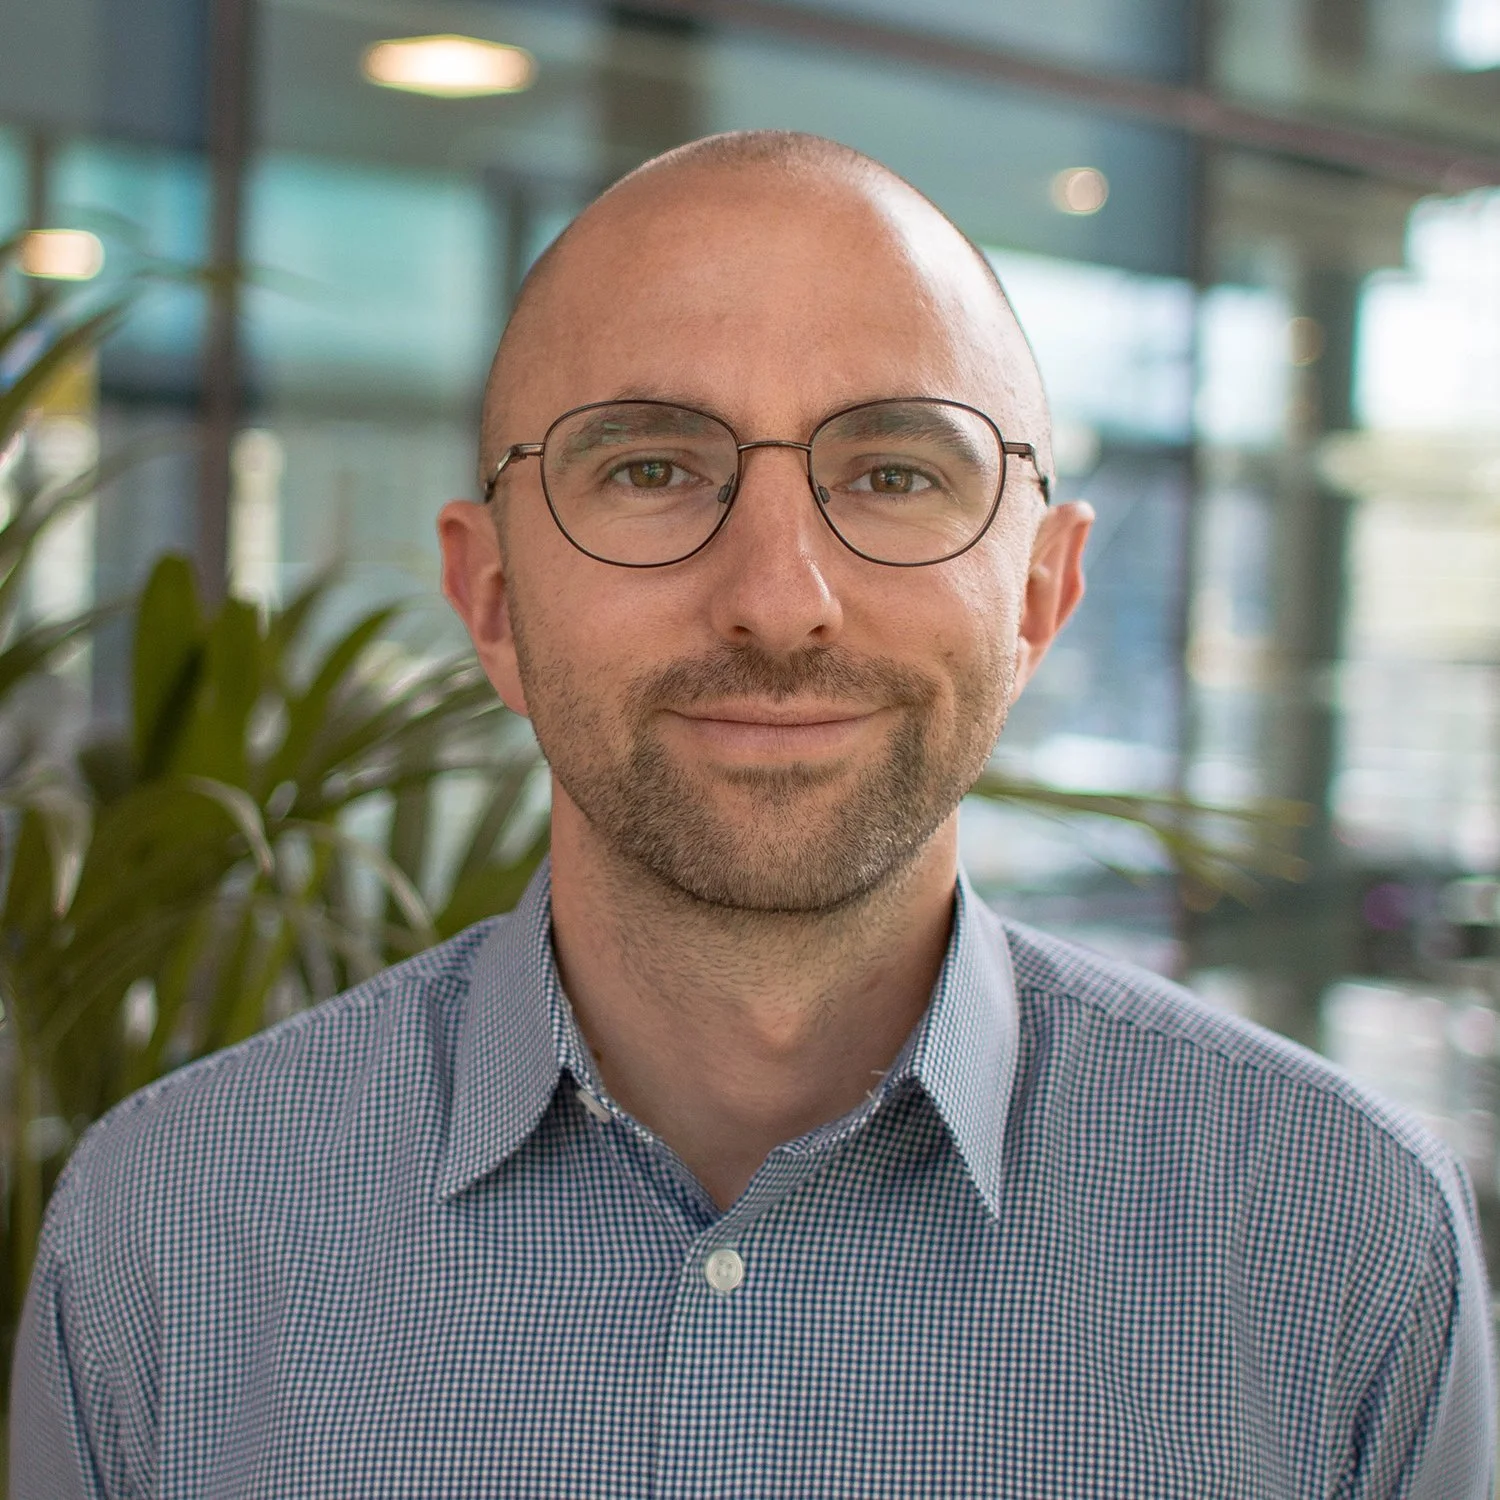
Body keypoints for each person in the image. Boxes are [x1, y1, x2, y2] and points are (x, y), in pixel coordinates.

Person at [12, 131, 1494, 1498]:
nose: (781, 599)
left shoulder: (1339, 1248)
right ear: (493, 598)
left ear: (1042, 594)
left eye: (898, 472)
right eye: (652, 468)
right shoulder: (171, 1240)